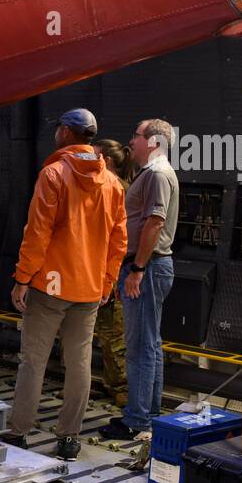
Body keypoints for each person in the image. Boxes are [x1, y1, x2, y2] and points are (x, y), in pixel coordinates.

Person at [2, 109, 126, 460]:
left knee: (34, 362)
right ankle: (69, 438)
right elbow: (119, 241)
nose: (56, 132)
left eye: (59, 128)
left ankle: (19, 431)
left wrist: (22, 279)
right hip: (88, 289)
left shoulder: (54, 174)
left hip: (49, 287)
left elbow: (37, 233)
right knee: (80, 364)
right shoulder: (112, 184)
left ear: (68, 134)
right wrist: (107, 282)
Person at [99, 118, 180, 440]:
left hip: (146, 268)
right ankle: (149, 414)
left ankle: (137, 420)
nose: (131, 141)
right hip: (148, 267)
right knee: (150, 345)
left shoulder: (158, 175)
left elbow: (154, 223)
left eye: (136, 135)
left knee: (139, 348)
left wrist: (137, 269)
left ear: (153, 142)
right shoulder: (150, 174)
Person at [92, 139, 136, 406]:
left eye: (94, 156)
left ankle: (121, 388)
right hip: (105, 269)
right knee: (107, 333)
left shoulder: (116, 189)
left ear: (106, 160)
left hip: (111, 271)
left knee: (112, 333)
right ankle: (114, 385)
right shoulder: (119, 188)